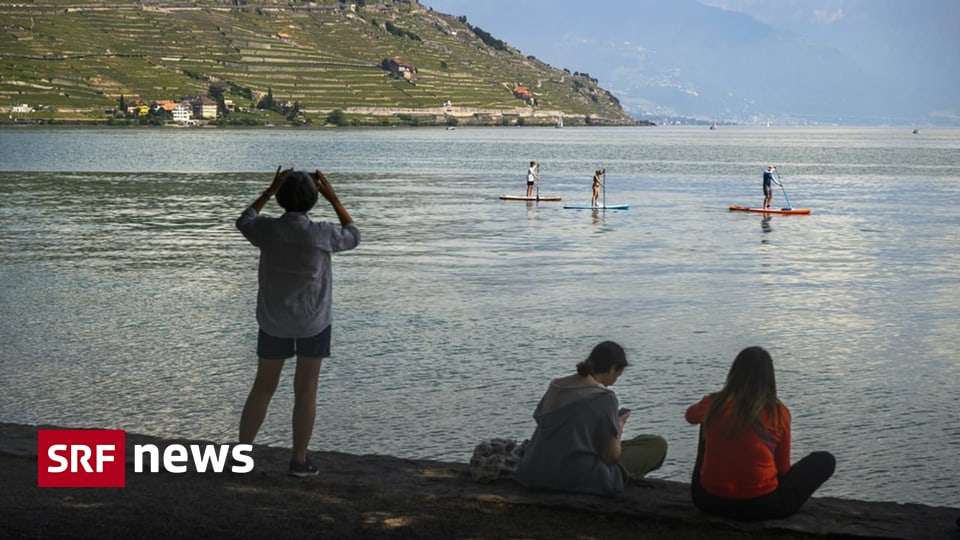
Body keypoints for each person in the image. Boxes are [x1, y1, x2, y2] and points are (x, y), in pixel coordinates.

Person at [236, 167, 360, 477]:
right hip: (313, 322)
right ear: (314, 200)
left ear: (279, 198)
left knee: (263, 387)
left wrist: (267, 190)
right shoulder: (322, 233)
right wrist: (334, 198)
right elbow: (354, 235)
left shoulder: (267, 231)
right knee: (306, 390)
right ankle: (299, 460)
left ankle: (241, 455)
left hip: (273, 321)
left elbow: (244, 220)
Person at [685, 346, 835, 521]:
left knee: (708, 421)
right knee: (825, 460)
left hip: (708, 501)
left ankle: (720, 480)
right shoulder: (778, 412)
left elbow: (690, 416)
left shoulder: (714, 402)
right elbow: (783, 469)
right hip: (761, 507)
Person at [514, 341, 668, 496]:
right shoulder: (604, 397)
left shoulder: (556, 385)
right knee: (656, 444)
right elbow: (611, 457)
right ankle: (627, 480)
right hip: (576, 477)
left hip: (532, 471)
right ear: (613, 368)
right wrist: (619, 426)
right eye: (617, 375)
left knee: (639, 440)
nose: (615, 381)